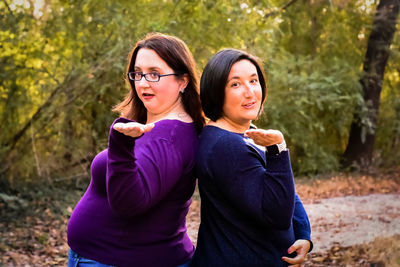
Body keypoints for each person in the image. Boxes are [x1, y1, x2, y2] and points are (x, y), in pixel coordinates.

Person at [67, 33, 205, 267]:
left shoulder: (168, 137)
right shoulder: (169, 128)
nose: (142, 82)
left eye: (154, 74)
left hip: (116, 259)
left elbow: (129, 203)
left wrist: (120, 143)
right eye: (138, 73)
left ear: (183, 81)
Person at [189, 49, 312, 267]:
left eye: (254, 81)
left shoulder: (244, 134)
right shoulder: (226, 146)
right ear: (216, 92)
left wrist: (303, 233)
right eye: (235, 84)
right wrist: (278, 150)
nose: (250, 92)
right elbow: (276, 214)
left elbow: (285, 192)